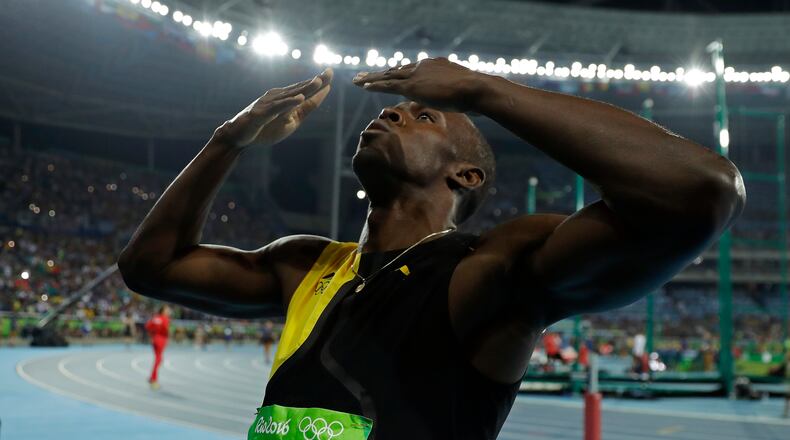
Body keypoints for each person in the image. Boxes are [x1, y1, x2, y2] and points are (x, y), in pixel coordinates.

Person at [119, 59, 744, 439]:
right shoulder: (308, 264)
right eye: (393, 111)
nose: (392, 114)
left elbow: (701, 190)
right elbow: (151, 266)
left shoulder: (487, 269)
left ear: (465, 177)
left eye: (423, 117)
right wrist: (228, 141)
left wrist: (480, 92)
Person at [144, 305, 170, 390]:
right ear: (163, 310)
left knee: (158, 359)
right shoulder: (165, 318)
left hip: (155, 339)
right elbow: (166, 329)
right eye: (167, 310)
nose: (168, 311)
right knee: (158, 360)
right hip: (162, 340)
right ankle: (154, 379)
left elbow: (147, 326)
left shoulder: (156, 317)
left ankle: (152, 378)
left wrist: (152, 335)